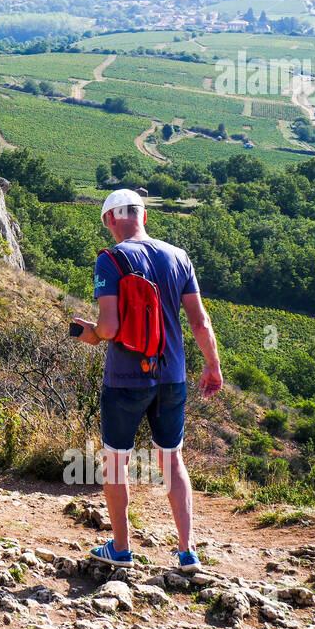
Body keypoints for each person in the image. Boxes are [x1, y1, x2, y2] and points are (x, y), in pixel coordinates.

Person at [72, 188, 224, 573]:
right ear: (143, 215)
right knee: (172, 459)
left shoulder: (110, 260)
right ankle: (187, 552)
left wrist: (91, 333)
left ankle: (121, 548)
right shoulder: (178, 256)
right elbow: (200, 321)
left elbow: (109, 327)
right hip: (172, 376)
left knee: (116, 462)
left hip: (125, 378)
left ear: (109, 220)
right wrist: (212, 365)